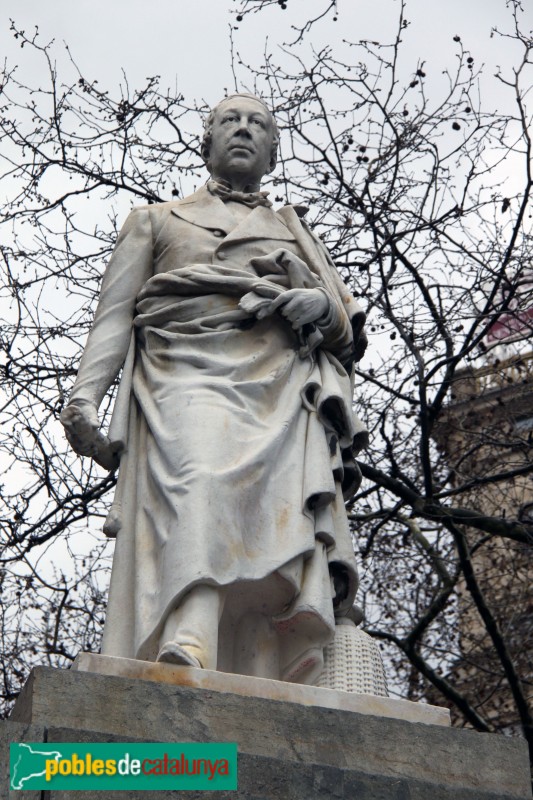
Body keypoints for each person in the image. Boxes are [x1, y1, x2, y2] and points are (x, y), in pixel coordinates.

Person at [61, 93, 368, 685]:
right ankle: (189, 631)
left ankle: (258, 659)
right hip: (185, 369)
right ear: (207, 142)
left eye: (258, 123)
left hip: (278, 382)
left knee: (274, 519)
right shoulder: (156, 219)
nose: (244, 130)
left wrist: (319, 307)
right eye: (231, 120)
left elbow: (344, 330)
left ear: (274, 153)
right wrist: (85, 396)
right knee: (200, 479)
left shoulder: (296, 232)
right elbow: (114, 317)